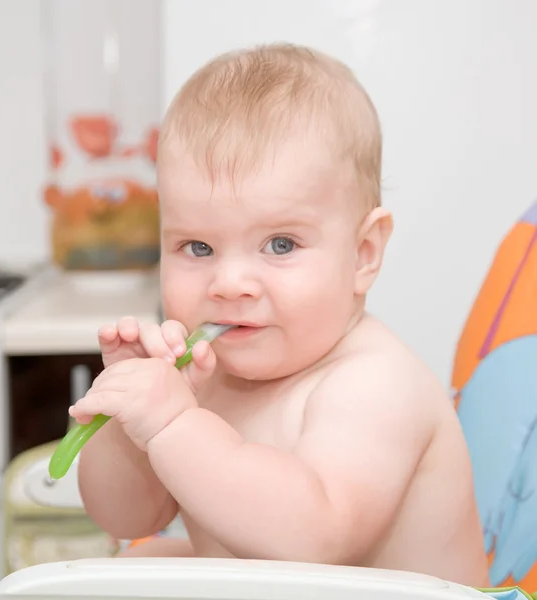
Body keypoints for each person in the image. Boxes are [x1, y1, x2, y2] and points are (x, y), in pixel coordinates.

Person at [71, 43, 490, 587]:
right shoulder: (208, 370)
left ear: (363, 254)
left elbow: (314, 540)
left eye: (281, 244)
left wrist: (173, 424)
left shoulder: (377, 384)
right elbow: (125, 518)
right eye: (197, 247)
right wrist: (129, 421)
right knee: (137, 564)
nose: (230, 284)